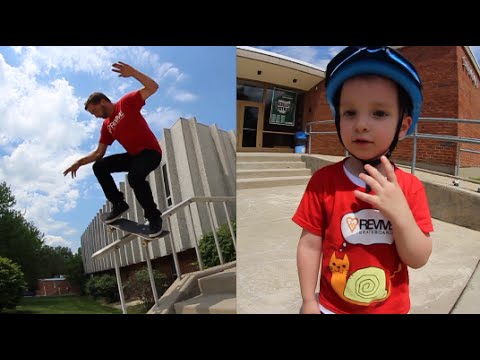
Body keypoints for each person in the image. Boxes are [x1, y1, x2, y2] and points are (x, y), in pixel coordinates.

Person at [293, 47, 434, 314]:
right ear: (338, 119)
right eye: (349, 113)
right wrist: (308, 300)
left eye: (379, 113)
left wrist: (401, 215)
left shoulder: (410, 188)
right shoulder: (323, 182)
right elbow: (310, 245)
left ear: (403, 127)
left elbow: (418, 259)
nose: (361, 124)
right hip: (331, 307)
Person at [63, 61, 163, 237]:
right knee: (99, 166)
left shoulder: (126, 103)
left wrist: (133, 73)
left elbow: (153, 87)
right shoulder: (106, 126)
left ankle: (154, 218)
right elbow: (99, 153)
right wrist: (79, 162)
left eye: (95, 111)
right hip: (134, 157)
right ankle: (118, 204)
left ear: (102, 101)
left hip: (151, 153)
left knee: (135, 177)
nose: (95, 116)